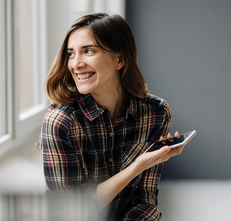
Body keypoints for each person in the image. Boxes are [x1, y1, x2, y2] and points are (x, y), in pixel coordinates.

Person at [39, 13, 184, 220]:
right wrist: (139, 165)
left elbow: (144, 200)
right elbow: (69, 211)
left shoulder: (155, 112)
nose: (76, 64)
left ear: (120, 60)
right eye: (71, 54)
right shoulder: (61, 122)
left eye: (88, 51)